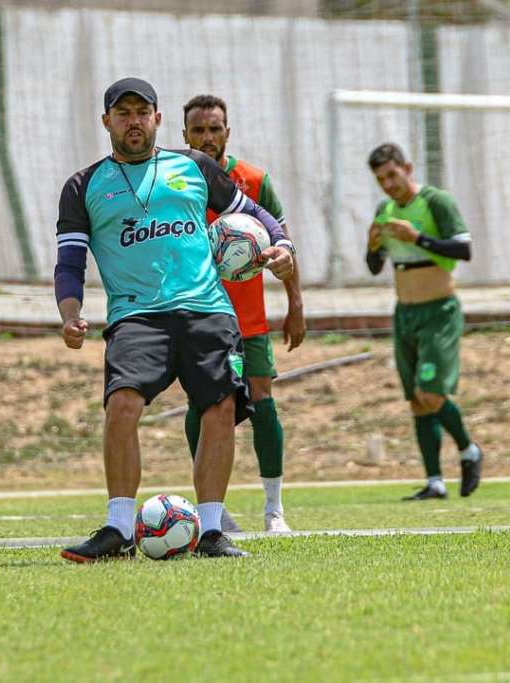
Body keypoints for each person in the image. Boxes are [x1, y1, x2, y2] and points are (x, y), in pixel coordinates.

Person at [55, 78, 295, 562]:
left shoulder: (194, 166)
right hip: (135, 315)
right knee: (121, 404)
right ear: (107, 122)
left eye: (142, 112)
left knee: (219, 410)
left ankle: (211, 530)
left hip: (207, 309)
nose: (133, 121)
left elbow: (258, 215)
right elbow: (69, 264)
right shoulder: (83, 186)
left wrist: (282, 247)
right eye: (122, 113)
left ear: (158, 119)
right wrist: (71, 314)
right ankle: (118, 528)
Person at [181, 94, 304, 533]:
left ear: (227, 133)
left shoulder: (254, 181)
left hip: (248, 320)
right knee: (204, 406)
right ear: (184, 136)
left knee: (264, 404)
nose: (207, 137)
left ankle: (274, 509)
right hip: (196, 317)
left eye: (215, 129)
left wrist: (295, 305)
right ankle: (212, 507)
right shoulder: (174, 182)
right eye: (198, 130)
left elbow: (284, 241)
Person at [365, 142, 483, 500]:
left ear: (408, 168)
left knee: (429, 393)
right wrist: (372, 247)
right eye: (381, 179)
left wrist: (417, 237)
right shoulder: (384, 210)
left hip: (438, 311)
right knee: (415, 401)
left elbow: (463, 250)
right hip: (405, 313)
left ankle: (468, 449)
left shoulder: (436, 201)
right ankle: (434, 481)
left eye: (392, 175)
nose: (388, 185)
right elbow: (374, 267)